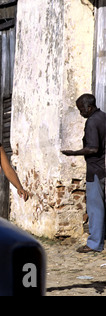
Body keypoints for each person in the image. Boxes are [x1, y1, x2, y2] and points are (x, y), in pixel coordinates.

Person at [61, 93, 105, 253]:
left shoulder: (92, 122)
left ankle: (94, 243)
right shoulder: (103, 117)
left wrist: (73, 153)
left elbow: (93, 148)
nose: (80, 112)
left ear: (89, 107)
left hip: (96, 169)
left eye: (81, 109)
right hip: (103, 167)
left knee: (95, 207)